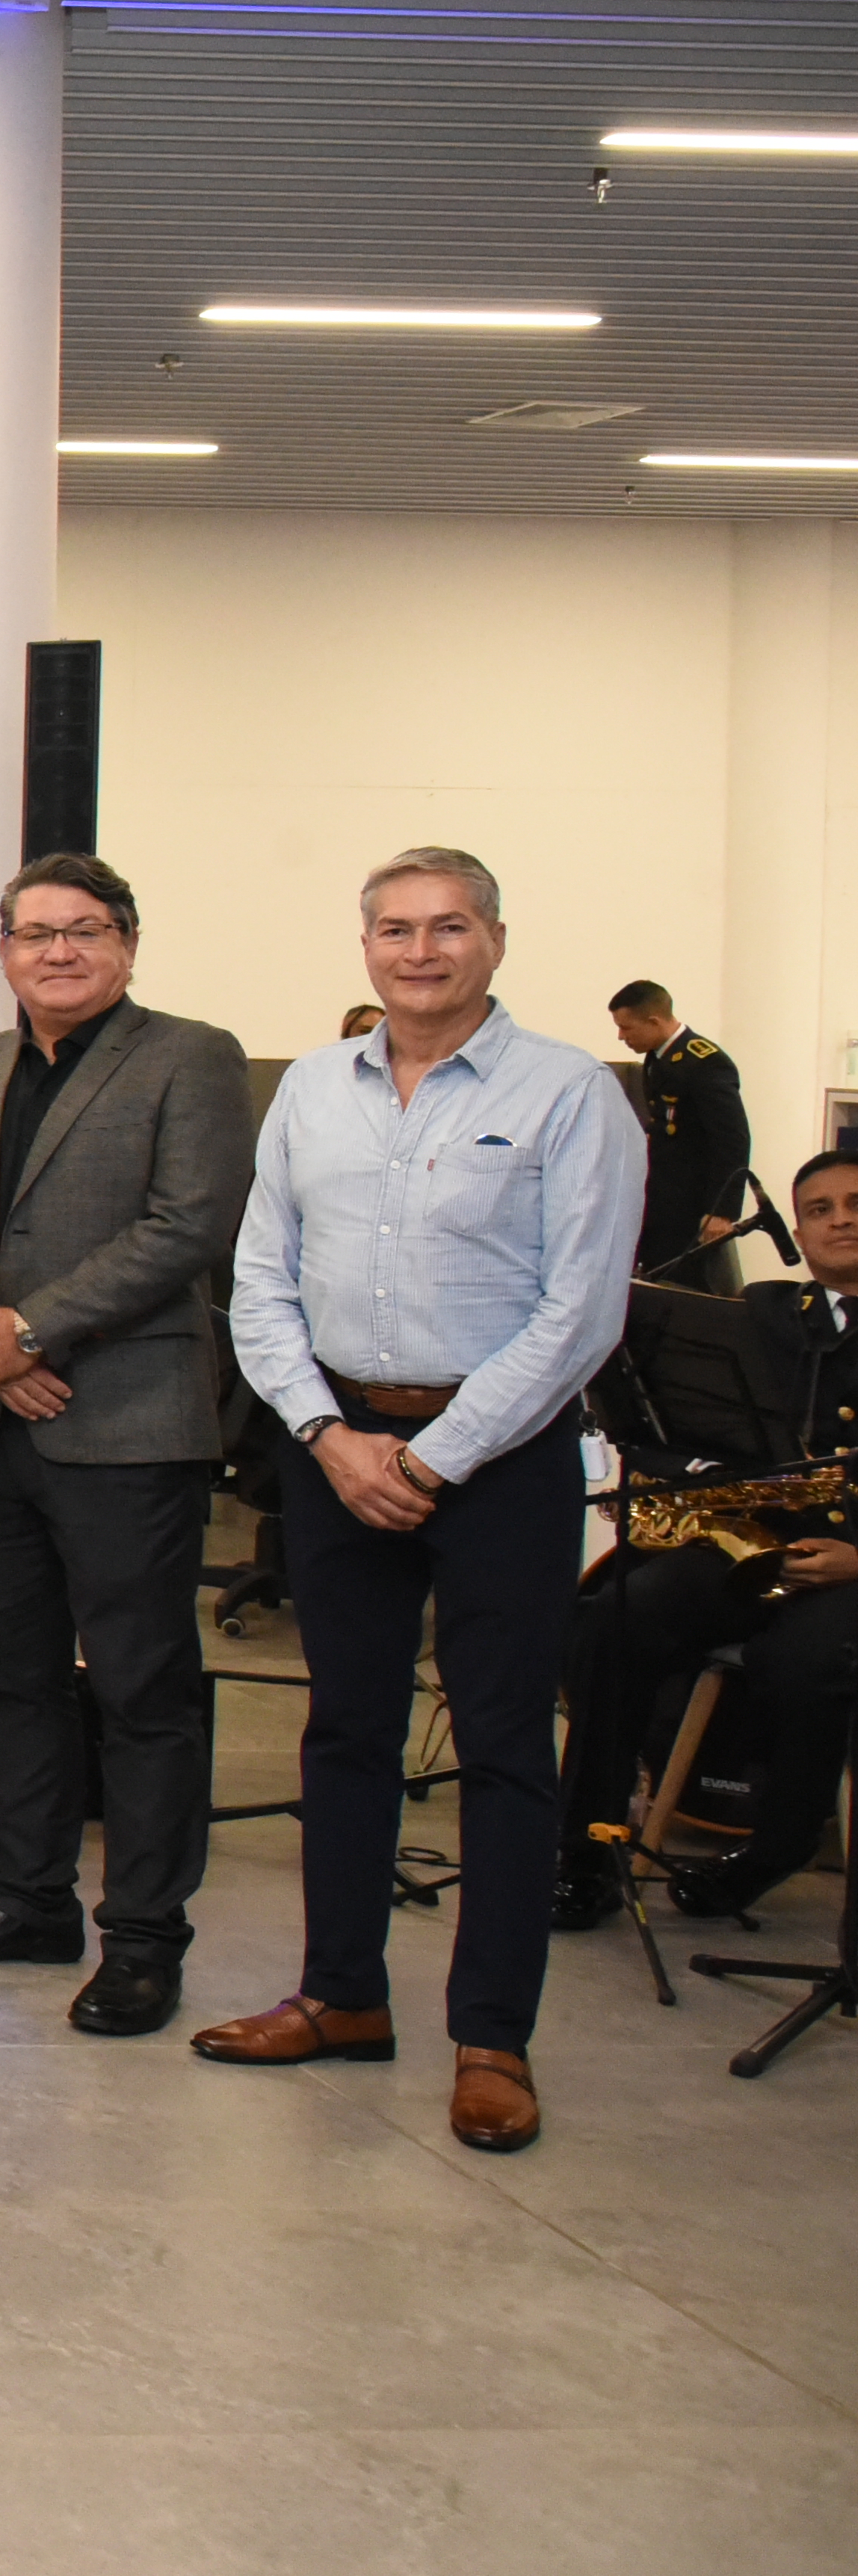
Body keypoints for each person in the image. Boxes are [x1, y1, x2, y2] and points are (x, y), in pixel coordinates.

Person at [209, 846, 638, 2153]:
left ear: (494, 942)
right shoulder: (311, 1096)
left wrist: (440, 1455)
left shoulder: (569, 1096)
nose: (420, 951)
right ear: (366, 949)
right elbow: (259, 1279)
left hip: (499, 1462)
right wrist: (329, 1437)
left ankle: (491, 2038)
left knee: (504, 1748)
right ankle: (342, 1995)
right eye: (395, 929)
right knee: (345, 1731)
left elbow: (581, 1313)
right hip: (337, 1448)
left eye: (448, 928)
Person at [0, 857, 254, 2030]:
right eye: (35, 934)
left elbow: (189, 1223)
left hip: (126, 1424)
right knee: (14, 1680)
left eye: (84, 931)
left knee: (143, 1692)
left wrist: (31, 1331)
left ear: (128, 944)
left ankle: (143, 1939)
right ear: (4, 952)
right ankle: (28, 1899)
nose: (58, 952)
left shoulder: (190, 1057)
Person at [553, 1144, 858, 1928]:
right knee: (615, 1614)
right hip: (747, 1540)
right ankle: (586, 1847)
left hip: (847, 1566)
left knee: (808, 1663)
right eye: (818, 1209)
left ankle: (773, 1850)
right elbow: (655, 1419)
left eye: (853, 1201)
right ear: (797, 1227)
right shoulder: (758, 1314)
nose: (839, 1219)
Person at [608, 980, 750, 1294]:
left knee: (687, 1291)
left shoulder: (705, 1062)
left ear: (654, 1021)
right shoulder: (658, 1058)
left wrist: (722, 1210)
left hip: (694, 1203)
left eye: (627, 1028)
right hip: (665, 1198)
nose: (622, 1037)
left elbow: (731, 1139)